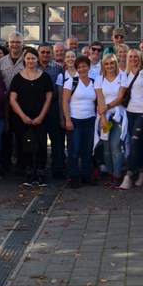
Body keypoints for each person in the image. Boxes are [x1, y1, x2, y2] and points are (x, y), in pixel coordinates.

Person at [9, 48, 53, 186]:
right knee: (24, 145)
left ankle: (40, 173)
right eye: (28, 58)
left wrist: (41, 116)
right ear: (24, 60)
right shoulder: (17, 77)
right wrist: (22, 116)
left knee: (41, 145)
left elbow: (49, 98)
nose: (31, 61)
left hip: (40, 118)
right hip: (22, 119)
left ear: (37, 60)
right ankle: (28, 173)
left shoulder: (45, 77)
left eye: (33, 58)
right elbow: (12, 99)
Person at [63, 56, 97, 188]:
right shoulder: (71, 82)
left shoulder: (94, 82)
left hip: (90, 119)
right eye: (79, 67)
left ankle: (86, 176)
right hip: (75, 120)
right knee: (74, 149)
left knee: (88, 149)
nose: (82, 69)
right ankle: (73, 177)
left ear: (89, 67)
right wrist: (67, 119)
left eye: (84, 66)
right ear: (76, 69)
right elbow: (65, 101)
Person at [95, 54, 127, 188]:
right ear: (103, 66)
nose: (109, 66)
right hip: (104, 116)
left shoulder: (122, 77)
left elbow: (120, 97)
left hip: (117, 116)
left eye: (112, 63)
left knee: (115, 146)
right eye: (107, 64)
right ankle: (109, 172)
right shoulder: (99, 79)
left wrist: (107, 107)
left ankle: (117, 175)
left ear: (116, 64)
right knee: (106, 148)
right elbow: (100, 99)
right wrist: (102, 118)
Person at [38, 42, 66, 181]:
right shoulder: (32, 66)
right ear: (38, 53)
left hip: (54, 107)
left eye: (48, 52)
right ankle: (41, 169)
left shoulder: (58, 68)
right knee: (40, 141)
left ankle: (58, 169)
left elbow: (61, 92)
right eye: (42, 52)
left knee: (57, 141)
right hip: (37, 107)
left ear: (52, 53)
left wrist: (61, 114)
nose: (45, 55)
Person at [120, 48, 143, 189]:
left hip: (142, 112)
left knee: (135, 143)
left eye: (136, 57)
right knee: (137, 144)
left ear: (140, 58)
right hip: (129, 112)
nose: (133, 59)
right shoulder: (125, 74)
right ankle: (142, 174)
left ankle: (129, 175)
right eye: (130, 57)